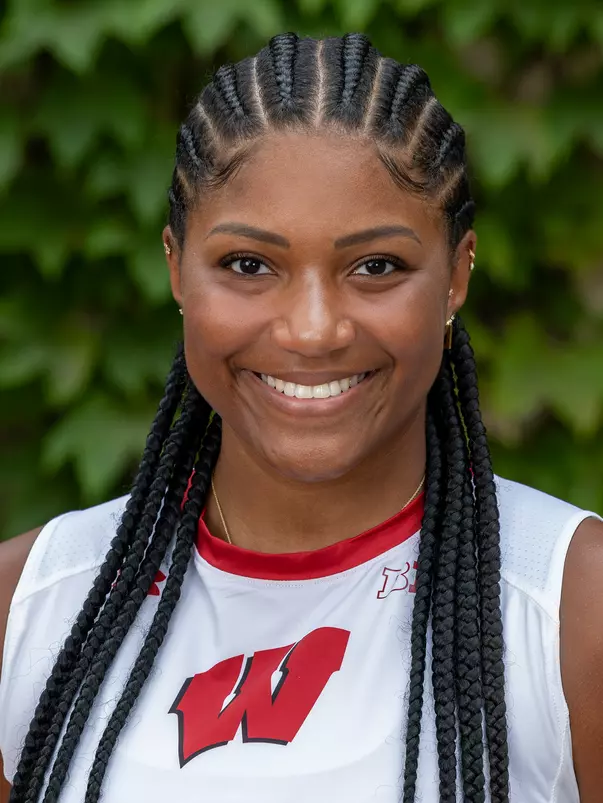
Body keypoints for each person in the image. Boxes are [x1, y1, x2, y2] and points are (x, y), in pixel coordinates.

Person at [0, 31, 601, 803]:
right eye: (248, 265)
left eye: (375, 266)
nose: (312, 330)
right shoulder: (32, 604)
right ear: (175, 268)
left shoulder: (567, 607)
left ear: (456, 274)